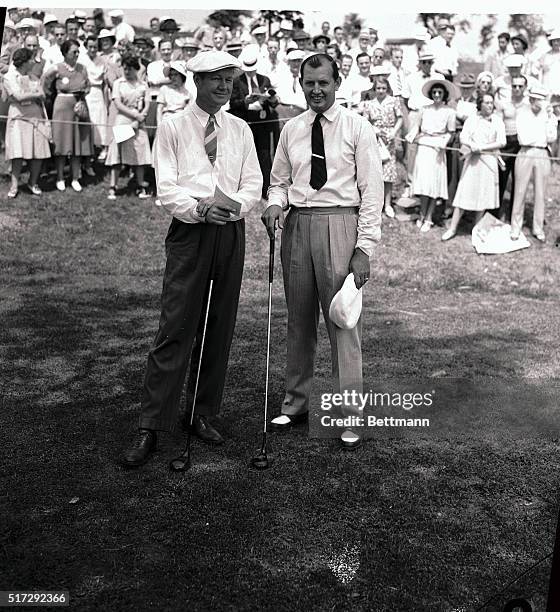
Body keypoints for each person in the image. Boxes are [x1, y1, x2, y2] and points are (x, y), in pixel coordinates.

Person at [121, 50, 262, 467]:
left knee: (219, 326)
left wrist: (232, 207)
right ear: (195, 81)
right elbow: (166, 187)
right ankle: (150, 425)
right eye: (214, 79)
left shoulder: (239, 128)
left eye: (228, 80)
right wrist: (201, 209)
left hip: (230, 231)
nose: (223, 86)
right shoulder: (173, 126)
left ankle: (200, 413)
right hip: (190, 232)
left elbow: (253, 182)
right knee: (176, 326)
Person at [261, 53, 383, 450]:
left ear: (337, 83)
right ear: (300, 83)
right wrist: (274, 203)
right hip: (298, 225)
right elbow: (278, 181)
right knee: (298, 319)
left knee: (343, 321)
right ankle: (295, 403)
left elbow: (372, 194)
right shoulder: (292, 128)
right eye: (309, 82)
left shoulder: (357, 127)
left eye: (323, 83)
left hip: (340, 224)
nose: (316, 90)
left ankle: (350, 414)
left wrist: (363, 248)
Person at [442, 93, 506, 240]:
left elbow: (502, 142)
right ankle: (452, 228)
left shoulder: (497, 121)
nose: (490, 106)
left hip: (489, 160)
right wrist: (473, 146)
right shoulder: (472, 119)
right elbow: (464, 137)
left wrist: (483, 147)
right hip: (473, 161)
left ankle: (476, 229)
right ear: (480, 104)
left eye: (491, 103)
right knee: (464, 193)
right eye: (486, 103)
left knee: (484, 195)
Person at [42, 39, 94, 192]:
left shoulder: (82, 68)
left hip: (79, 106)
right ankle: (59, 177)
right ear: (65, 53)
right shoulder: (56, 68)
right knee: (62, 143)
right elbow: (44, 82)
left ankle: (75, 177)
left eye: (78, 51)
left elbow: (88, 85)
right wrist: (49, 96)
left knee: (77, 143)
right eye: (74, 51)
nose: (77, 54)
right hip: (62, 107)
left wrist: (83, 94)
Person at [406, 79, 457, 231]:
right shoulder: (424, 109)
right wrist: (412, 135)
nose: (436, 95)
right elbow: (417, 127)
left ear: (444, 95)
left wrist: (444, 143)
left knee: (434, 183)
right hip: (424, 145)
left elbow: (451, 132)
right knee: (423, 182)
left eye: (439, 93)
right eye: (434, 92)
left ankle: (429, 216)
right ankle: (422, 213)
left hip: (438, 146)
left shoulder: (449, 112)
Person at [229, 46, 279, 199]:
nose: (251, 72)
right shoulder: (237, 81)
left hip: (262, 121)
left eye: (253, 69)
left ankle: (265, 190)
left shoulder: (265, 79)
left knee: (264, 155)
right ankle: (244, 190)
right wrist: (245, 101)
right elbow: (232, 103)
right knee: (245, 157)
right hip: (246, 121)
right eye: (248, 69)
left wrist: (271, 99)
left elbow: (273, 102)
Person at [510, 85, 558, 242]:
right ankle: (515, 227)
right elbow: (523, 138)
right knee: (520, 191)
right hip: (525, 152)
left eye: (543, 99)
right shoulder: (522, 114)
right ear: (531, 99)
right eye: (538, 99)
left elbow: (551, 138)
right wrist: (539, 137)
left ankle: (538, 228)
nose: (541, 102)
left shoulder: (548, 116)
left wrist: (551, 119)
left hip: (542, 153)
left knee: (540, 192)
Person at [3, 48, 51, 198]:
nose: (33, 62)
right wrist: (35, 94)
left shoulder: (34, 78)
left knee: (38, 152)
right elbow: (17, 96)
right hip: (18, 117)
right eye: (31, 59)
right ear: (23, 62)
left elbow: (42, 95)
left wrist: (34, 95)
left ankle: (33, 182)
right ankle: (14, 185)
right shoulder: (9, 77)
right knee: (17, 153)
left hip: (35, 116)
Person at [104, 54, 152, 200]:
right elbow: (117, 104)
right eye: (125, 69)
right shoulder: (119, 83)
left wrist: (140, 117)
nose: (127, 72)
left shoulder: (143, 85)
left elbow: (147, 104)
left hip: (139, 123)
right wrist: (134, 115)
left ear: (136, 70)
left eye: (130, 69)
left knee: (139, 153)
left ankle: (140, 186)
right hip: (123, 120)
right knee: (117, 154)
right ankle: (113, 187)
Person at [359, 76, 402, 218]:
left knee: (388, 174)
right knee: (373, 172)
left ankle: (388, 204)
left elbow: (400, 118)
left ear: (387, 88)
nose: (381, 91)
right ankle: (374, 204)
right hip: (375, 139)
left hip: (389, 139)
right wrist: (374, 129)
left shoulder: (394, 101)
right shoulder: (369, 104)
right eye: (378, 88)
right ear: (374, 89)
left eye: (383, 88)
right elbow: (364, 121)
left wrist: (394, 132)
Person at [494, 74, 528, 222]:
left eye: (520, 86)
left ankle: (513, 217)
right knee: (500, 179)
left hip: (521, 146)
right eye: (514, 86)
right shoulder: (504, 104)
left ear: (525, 88)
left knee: (518, 181)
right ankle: (494, 214)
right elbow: (497, 125)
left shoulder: (528, 105)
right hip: (505, 144)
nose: (517, 89)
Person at [82, 35, 109, 164]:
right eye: (90, 47)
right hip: (87, 92)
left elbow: (104, 83)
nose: (93, 50)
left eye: (95, 47)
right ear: (86, 46)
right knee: (89, 120)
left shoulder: (102, 60)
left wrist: (106, 100)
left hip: (98, 92)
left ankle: (100, 149)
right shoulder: (82, 59)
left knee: (100, 120)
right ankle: (87, 152)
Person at [156, 60, 191, 124]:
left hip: (181, 121)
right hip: (167, 119)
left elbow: (188, 112)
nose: (173, 77)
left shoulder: (187, 92)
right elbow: (159, 109)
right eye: (171, 75)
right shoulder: (164, 89)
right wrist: (159, 124)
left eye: (175, 74)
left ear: (181, 76)